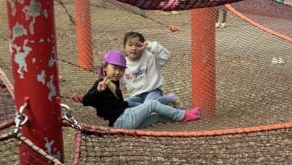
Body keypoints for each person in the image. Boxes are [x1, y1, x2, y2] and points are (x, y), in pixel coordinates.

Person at [73, 51, 201, 129]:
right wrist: (97, 91)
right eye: (114, 68)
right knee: (152, 104)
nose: (118, 72)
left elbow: (95, 101)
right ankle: (183, 115)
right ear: (105, 67)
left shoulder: (114, 82)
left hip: (124, 119)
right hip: (122, 120)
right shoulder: (101, 84)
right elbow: (88, 100)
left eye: (121, 70)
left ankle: (184, 116)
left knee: (155, 117)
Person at [121, 32, 178, 106]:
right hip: (136, 95)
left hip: (153, 91)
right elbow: (116, 80)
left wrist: (150, 45)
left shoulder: (150, 57)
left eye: (138, 45)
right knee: (124, 104)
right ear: (124, 47)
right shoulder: (122, 64)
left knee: (148, 104)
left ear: (143, 46)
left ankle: (170, 99)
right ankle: (161, 103)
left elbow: (166, 56)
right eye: (130, 45)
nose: (134, 48)